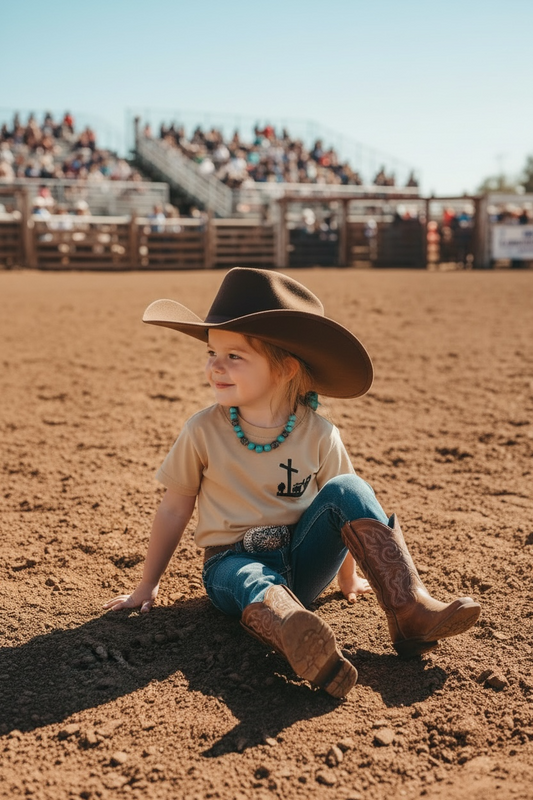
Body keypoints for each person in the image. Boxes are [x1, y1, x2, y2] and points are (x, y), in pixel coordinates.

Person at [104, 268, 481, 698]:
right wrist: (146, 585)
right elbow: (175, 507)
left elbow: (342, 511)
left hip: (301, 564)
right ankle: (300, 641)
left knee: (351, 488)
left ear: (284, 369)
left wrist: (347, 578)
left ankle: (409, 608)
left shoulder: (320, 434)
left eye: (234, 356)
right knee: (250, 577)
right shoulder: (202, 430)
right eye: (212, 353)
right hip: (230, 563)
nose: (215, 367)